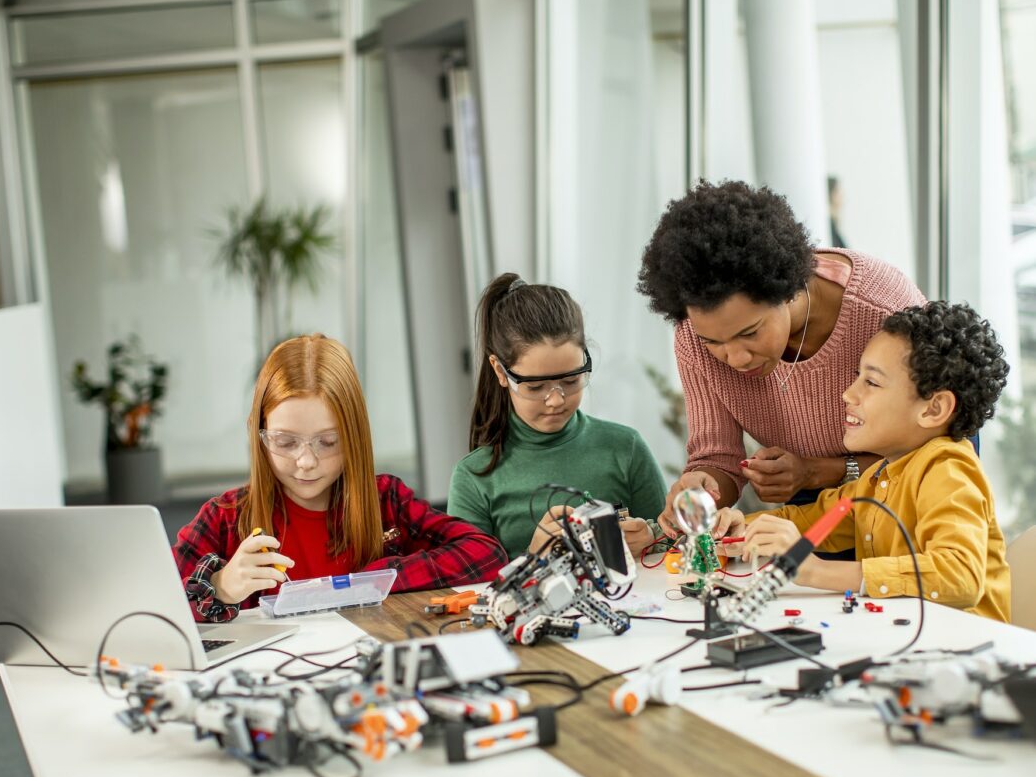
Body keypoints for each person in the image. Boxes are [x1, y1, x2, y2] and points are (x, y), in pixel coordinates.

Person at [636, 179, 926, 538]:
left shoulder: (885, 312)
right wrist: (703, 488)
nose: (736, 358)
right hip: (808, 500)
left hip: (907, 495)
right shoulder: (693, 338)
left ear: (787, 289)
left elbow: (930, 454)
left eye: (750, 332)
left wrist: (818, 471)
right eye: (714, 341)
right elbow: (719, 458)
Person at [173, 334, 507, 622]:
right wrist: (219, 586)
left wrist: (379, 579)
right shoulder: (225, 518)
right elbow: (151, 610)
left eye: (328, 442)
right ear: (259, 437)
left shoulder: (386, 501)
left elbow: (486, 554)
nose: (306, 462)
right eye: (286, 442)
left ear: (354, 437)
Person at [715, 302, 1011, 622]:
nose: (848, 394)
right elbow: (814, 521)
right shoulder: (879, 478)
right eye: (858, 377)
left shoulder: (947, 469)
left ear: (933, 409)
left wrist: (817, 571)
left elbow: (959, 576)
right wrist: (746, 529)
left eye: (871, 382)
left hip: (968, 653)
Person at [446, 273, 667, 560]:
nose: (555, 400)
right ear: (501, 372)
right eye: (536, 387)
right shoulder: (474, 478)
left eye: (571, 381)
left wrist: (652, 538)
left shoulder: (626, 448)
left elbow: (678, 539)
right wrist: (533, 557)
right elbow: (469, 587)